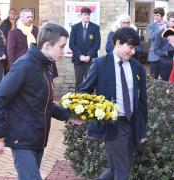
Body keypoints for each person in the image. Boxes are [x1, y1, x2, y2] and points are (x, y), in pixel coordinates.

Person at [0, 23, 69, 180]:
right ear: (48, 45)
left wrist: (69, 115)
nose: (63, 51)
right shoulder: (24, 65)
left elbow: (44, 102)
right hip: (21, 139)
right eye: (61, 47)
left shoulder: (46, 66)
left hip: (38, 139)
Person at [79, 27, 148, 180]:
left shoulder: (137, 67)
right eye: (130, 47)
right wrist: (99, 110)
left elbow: (142, 102)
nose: (133, 52)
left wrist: (142, 129)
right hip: (112, 124)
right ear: (118, 43)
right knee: (122, 172)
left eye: (135, 48)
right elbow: (84, 92)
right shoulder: (100, 64)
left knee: (119, 168)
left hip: (132, 123)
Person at [69, 6, 101, 91]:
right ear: (81, 15)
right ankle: (77, 101)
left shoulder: (95, 27)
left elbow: (97, 44)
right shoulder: (75, 28)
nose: (87, 16)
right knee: (79, 81)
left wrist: (89, 56)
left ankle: (89, 102)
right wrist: (80, 56)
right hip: (78, 60)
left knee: (90, 82)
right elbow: (71, 44)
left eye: (88, 15)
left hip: (90, 60)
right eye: (85, 14)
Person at [153, 12, 174, 81]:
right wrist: (166, 53)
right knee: (166, 86)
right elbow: (155, 49)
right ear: (167, 21)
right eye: (173, 21)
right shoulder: (160, 32)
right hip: (166, 63)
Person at [147, 7, 167, 79]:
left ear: (162, 15)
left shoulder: (168, 25)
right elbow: (151, 37)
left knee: (165, 79)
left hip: (165, 56)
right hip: (154, 55)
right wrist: (162, 29)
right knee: (153, 78)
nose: (155, 17)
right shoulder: (151, 25)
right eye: (154, 15)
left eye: (157, 15)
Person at [0, 8, 17, 74]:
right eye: (11, 13)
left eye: (14, 13)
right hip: (6, 46)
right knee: (6, 66)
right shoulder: (4, 23)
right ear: (8, 14)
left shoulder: (18, 23)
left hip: (16, 47)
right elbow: (1, 35)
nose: (12, 14)